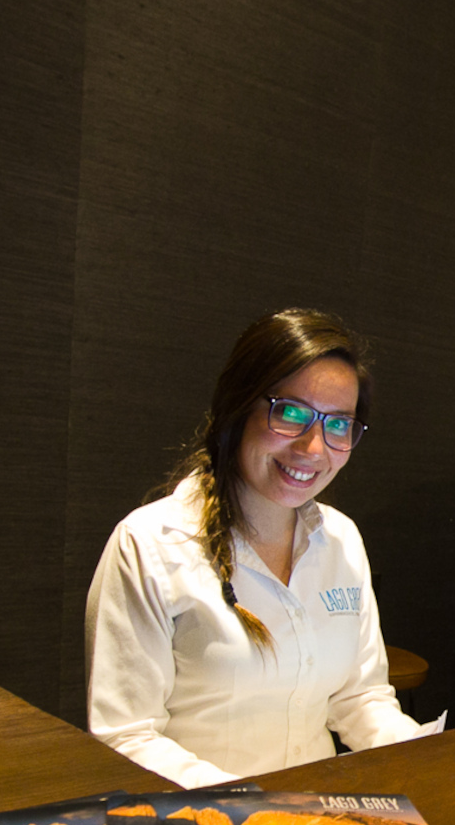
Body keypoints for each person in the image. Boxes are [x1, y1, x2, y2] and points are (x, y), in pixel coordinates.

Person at [84, 309, 425, 787]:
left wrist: (426, 761)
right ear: (239, 406)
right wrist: (256, 809)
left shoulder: (341, 540)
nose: (313, 448)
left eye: (339, 425)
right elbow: (127, 737)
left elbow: (360, 697)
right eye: (290, 413)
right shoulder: (150, 544)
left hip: (319, 813)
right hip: (202, 819)